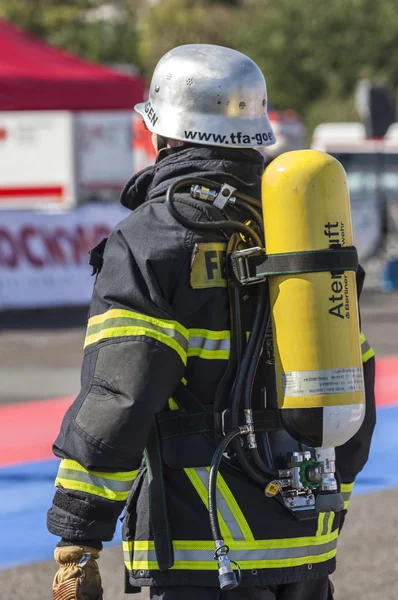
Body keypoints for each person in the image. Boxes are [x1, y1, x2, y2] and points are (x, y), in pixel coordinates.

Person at [48, 44, 376, 600]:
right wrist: (326, 501)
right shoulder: (298, 226)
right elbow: (351, 370)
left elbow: (121, 395)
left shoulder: (155, 240)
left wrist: (78, 533)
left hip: (205, 547)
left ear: (164, 134)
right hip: (305, 540)